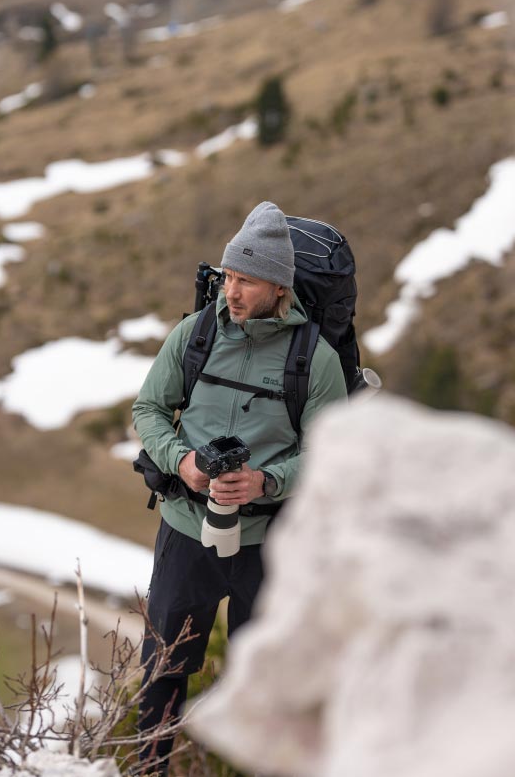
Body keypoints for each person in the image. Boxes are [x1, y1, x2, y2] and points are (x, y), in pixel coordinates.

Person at [131, 201, 347, 774]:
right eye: (228, 276)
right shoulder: (195, 334)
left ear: (279, 287)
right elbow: (148, 408)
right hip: (185, 534)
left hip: (269, 543)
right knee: (162, 676)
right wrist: (183, 463)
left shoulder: (315, 360)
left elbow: (332, 456)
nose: (232, 291)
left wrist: (265, 480)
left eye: (247, 280)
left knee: (265, 691)